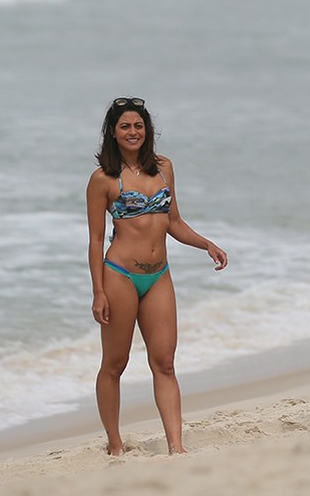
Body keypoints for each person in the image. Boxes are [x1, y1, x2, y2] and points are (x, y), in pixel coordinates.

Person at [86, 96, 228, 455]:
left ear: (147, 130)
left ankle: (176, 446)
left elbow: (174, 223)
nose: (133, 132)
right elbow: (96, 239)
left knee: (164, 362)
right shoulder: (103, 179)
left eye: (138, 125)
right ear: (113, 133)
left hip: (159, 276)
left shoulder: (164, 168)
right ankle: (115, 444)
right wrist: (98, 292)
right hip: (120, 275)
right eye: (125, 126)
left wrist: (206, 244)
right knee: (115, 364)